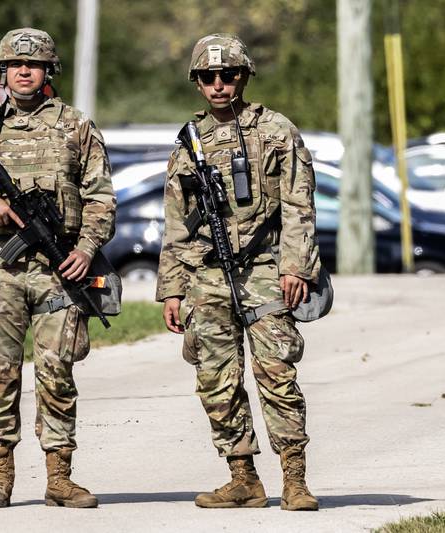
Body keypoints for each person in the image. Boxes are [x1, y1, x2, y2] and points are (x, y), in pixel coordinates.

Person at [0, 27, 115, 509]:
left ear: (48, 72)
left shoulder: (76, 126)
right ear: (1, 72)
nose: (23, 71)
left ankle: (59, 477)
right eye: (15, 65)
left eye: (33, 65)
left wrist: (85, 247)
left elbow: (101, 197)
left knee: (57, 372)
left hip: (60, 270)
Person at [156, 33, 321, 511]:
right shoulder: (189, 142)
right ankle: (243, 477)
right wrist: (171, 288)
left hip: (267, 268)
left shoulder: (275, 131)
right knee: (216, 377)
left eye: (228, 75)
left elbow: (298, 204)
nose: (219, 85)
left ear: (244, 77)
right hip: (206, 275)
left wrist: (295, 266)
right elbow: (175, 221)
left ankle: (294, 478)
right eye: (208, 77)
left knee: (277, 372)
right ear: (197, 83)